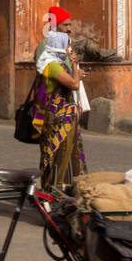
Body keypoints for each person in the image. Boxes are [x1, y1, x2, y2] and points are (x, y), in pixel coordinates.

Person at [32, 11, 88, 191]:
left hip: (66, 115)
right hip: (56, 116)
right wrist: (75, 73)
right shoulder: (48, 58)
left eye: (70, 26)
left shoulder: (62, 53)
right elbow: (71, 83)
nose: (69, 31)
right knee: (56, 158)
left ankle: (66, 195)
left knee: (69, 157)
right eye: (65, 25)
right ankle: (53, 198)